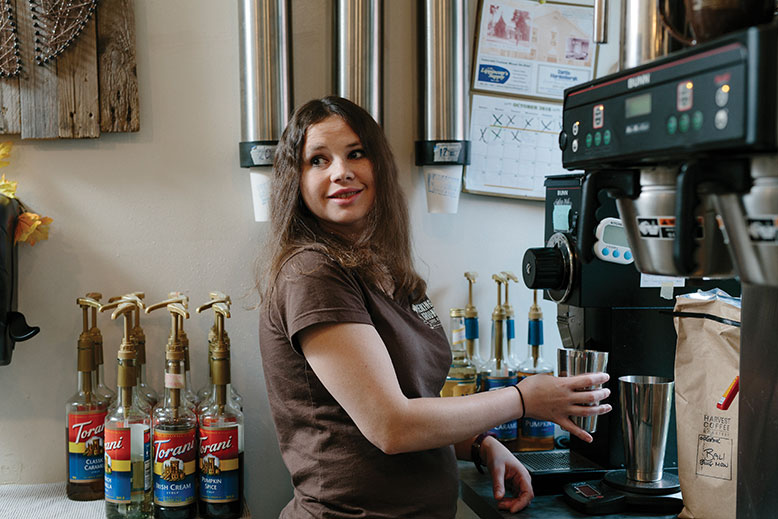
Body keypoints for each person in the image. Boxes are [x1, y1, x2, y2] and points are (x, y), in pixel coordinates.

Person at [258, 95, 611, 519]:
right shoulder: (313, 273)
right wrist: (521, 399)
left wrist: (480, 444)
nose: (341, 171)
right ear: (294, 179)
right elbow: (391, 425)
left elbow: (417, 403)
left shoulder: (387, 271)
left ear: (379, 167)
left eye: (356, 153)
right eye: (318, 160)